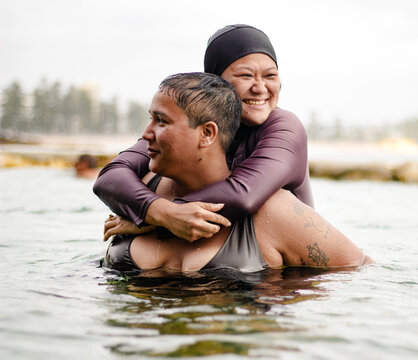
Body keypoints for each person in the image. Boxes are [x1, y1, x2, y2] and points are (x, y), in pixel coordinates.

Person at [103, 73, 372, 273]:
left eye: (161, 121)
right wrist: (156, 213)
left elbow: (360, 270)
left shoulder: (273, 212)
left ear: (207, 134)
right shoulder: (137, 192)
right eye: (150, 118)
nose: (145, 133)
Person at [93, 25, 313, 242]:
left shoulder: (284, 127)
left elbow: (243, 195)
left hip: (290, 269)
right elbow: (111, 176)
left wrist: (151, 220)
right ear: (217, 83)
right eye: (246, 76)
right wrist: (157, 211)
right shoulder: (194, 125)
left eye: (270, 76)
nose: (260, 87)